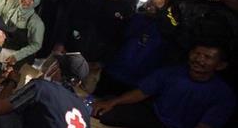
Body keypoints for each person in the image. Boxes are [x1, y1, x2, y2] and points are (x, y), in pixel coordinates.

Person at [93, 43, 236, 128]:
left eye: (207, 57)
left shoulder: (223, 94)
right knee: (106, 114)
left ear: (221, 65)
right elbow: (142, 92)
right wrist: (112, 102)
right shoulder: (173, 72)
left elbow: (206, 125)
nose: (199, 59)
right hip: (154, 117)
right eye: (196, 53)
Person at [0, 53, 91, 128]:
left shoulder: (41, 87)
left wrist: (12, 82)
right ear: (78, 83)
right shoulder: (85, 111)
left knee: (6, 113)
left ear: (56, 69)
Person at [3, 0, 45, 66]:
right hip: (5, 51)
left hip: (22, 58)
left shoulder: (36, 22)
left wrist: (17, 55)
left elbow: (36, 45)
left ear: (36, 2)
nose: (26, 0)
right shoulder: (12, 11)